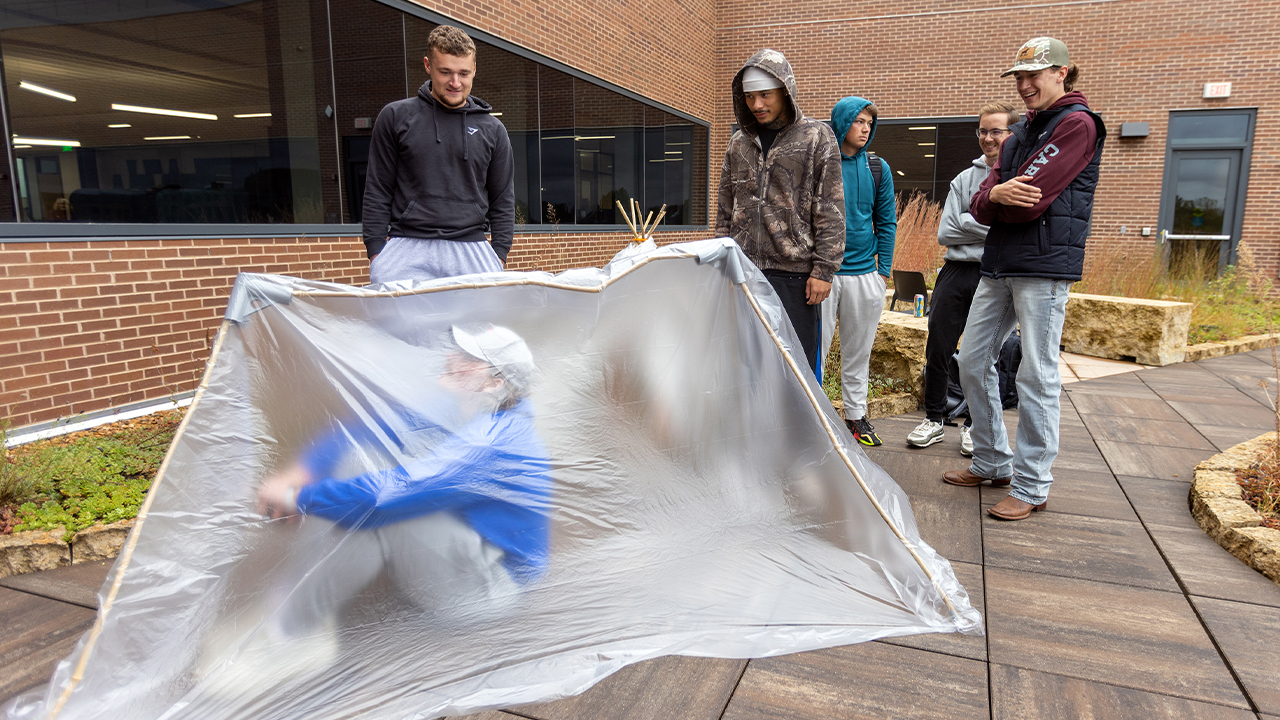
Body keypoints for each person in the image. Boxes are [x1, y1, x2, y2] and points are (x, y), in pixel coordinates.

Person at [233, 324, 550, 682]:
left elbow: (390, 494)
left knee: (376, 503)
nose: (451, 358)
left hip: (486, 588)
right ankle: (293, 622)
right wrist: (303, 471)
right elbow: (368, 432)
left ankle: (288, 633)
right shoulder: (468, 408)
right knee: (362, 471)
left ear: (494, 383)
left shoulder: (496, 443)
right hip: (459, 558)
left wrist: (298, 498)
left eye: (469, 359)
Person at [943, 37, 1106, 521]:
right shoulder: (1018, 137)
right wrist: (998, 197)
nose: (1026, 83)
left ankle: (1032, 485)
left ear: (1063, 72)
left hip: (1044, 268)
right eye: (1019, 76)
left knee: (1036, 375)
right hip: (999, 263)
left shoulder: (1077, 125)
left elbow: (1029, 199)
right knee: (971, 360)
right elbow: (979, 204)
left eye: (1036, 73)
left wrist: (999, 199)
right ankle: (993, 460)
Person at [716, 49, 844, 375]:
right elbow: (724, 210)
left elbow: (830, 208)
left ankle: (797, 429)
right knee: (746, 369)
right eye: (749, 97)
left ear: (785, 90)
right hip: (745, 275)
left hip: (796, 277)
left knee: (794, 373)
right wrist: (721, 262)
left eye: (765, 94)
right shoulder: (738, 144)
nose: (757, 105)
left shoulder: (816, 137)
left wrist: (823, 270)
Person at [906, 101, 1020, 455]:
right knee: (938, 346)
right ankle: (935, 419)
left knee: (987, 354)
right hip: (955, 271)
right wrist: (992, 226)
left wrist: (970, 224)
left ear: (1012, 133)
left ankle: (974, 425)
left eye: (996, 131)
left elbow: (1009, 230)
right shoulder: (963, 180)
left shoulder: (1020, 175)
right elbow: (946, 232)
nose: (988, 137)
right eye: (983, 131)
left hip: (996, 271)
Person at [362, 25, 515, 284]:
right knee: (396, 326)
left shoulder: (494, 130)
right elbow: (378, 189)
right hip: (407, 248)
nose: (455, 83)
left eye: (464, 73)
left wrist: (498, 255)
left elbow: (503, 199)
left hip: (472, 251)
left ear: (474, 70)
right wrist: (377, 251)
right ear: (428, 65)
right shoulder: (396, 118)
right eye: (445, 72)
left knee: (475, 326)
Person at [819, 97, 896, 446]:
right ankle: (812, 418)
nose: (865, 129)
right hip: (823, 276)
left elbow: (887, 222)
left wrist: (883, 273)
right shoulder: (820, 163)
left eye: (869, 122)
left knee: (858, 353)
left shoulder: (878, 168)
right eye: (858, 121)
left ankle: (856, 418)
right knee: (813, 351)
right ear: (842, 121)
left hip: (866, 276)